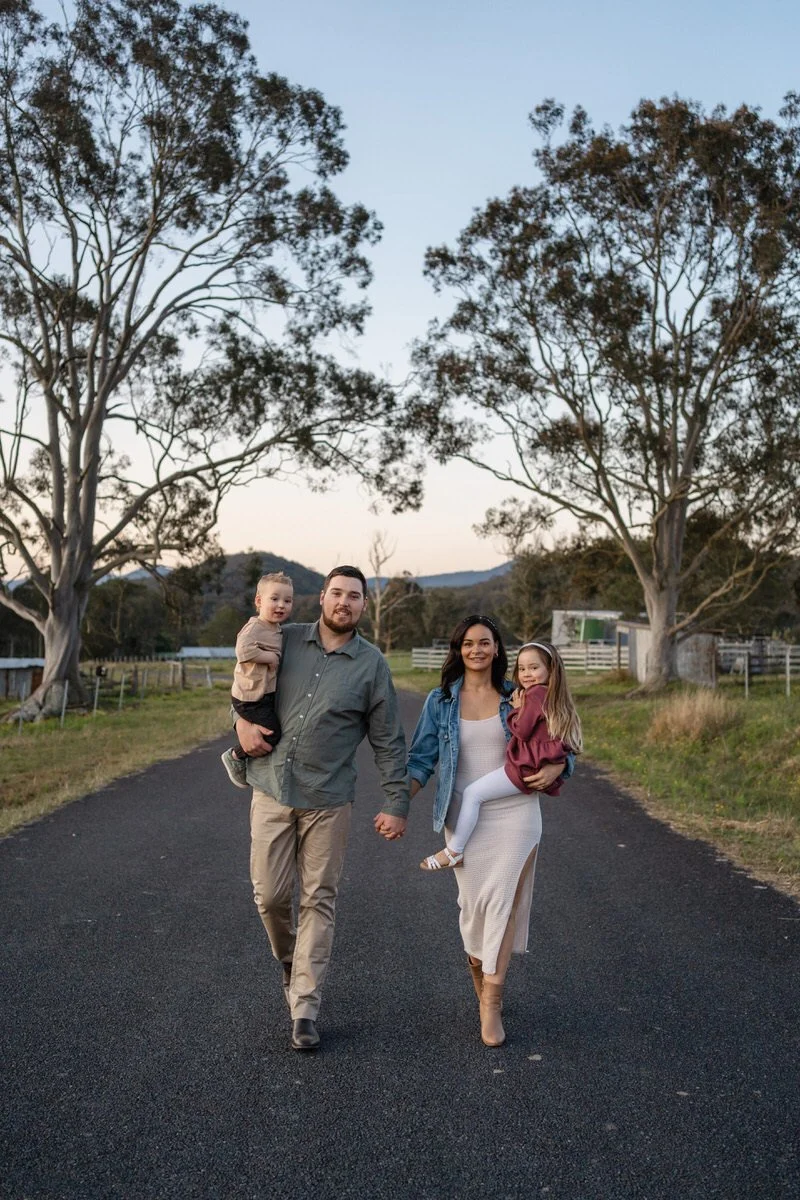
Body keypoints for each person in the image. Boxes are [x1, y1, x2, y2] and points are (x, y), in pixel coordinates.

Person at [235, 565, 409, 1052]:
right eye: (337, 593)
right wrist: (239, 726)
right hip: (271, 787)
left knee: (318, 898)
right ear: (322, 598)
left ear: (364, 606)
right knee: (269, 896)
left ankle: (305, 1005)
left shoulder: (372, 665)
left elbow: (389, 741)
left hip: (329, 800)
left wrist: (396, 801)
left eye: (354, 596)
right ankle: (292, 962)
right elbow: (245, 681)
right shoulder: (282, 636)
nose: (344, 603)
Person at [406, 617, 575, 1047]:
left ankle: (492, 1005)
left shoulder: (518, 696)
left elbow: (560, 736)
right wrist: (397, 803)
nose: (477, 649)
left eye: (485, 642)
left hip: (516, 813)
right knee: (473, 910)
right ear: (458, 649)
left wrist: (561, 765)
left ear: (498, 649)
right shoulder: (440, 700)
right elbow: (422, 759)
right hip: (463, 816)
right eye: (468, 643)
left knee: (502, 905)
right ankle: (482, 977)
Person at [419, 641, 582, 869]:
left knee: (473, 793)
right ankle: (455, 850)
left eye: (534, 668)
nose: (527, 674)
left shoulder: (533, 696)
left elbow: (522, 730)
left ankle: (454, 851)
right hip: (531, 767)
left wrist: (517, 709)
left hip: (524, 768)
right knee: (475, 794)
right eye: (522, 668)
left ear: (550, 669)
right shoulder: (550, 696)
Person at [220, 572, 294, 789]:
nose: (281, 605)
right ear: (259, 601)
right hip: (250, 696)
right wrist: (268, 657)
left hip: (261, 693)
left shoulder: (276, 629)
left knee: (271, 726)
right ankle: (236, 756)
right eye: (275, 599)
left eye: (287, 601)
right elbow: (242, 650)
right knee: (273, 733)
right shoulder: (256, 627)